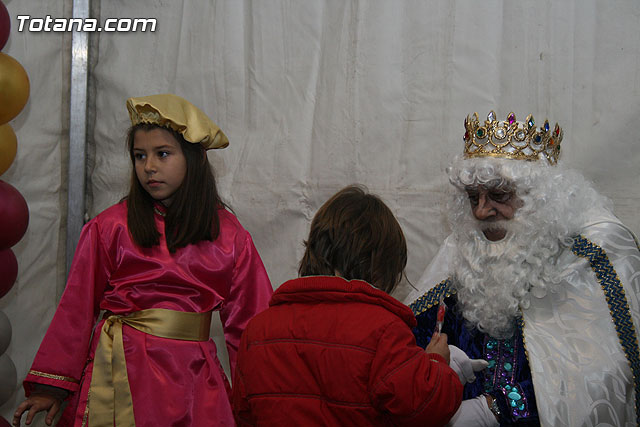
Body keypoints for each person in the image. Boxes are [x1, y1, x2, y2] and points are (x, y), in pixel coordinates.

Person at [13, 94, 273, 427]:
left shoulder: (230, 236)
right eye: (139, 155)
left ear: (195, 158)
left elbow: (253, 327)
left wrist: (261, 403)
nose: (148, 166)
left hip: (195, 385)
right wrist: (51, 387)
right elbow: (76, 309)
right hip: (120, 375)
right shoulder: (110, 227)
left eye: (162, 153)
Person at [404, 111, 640, 426]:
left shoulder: (587, 254)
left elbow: (600, 377)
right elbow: (411, 334)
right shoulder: (462, 249)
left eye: (499, 195)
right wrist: (433, 364)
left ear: (539, 198)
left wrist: (496, 409)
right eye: (473, 197)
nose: (481, 211)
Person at [232, 185, 463, 426]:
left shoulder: (257, 331)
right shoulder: (383, 330)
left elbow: (243, 415)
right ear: (382, 264)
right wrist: (435, 363)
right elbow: (426, 407)